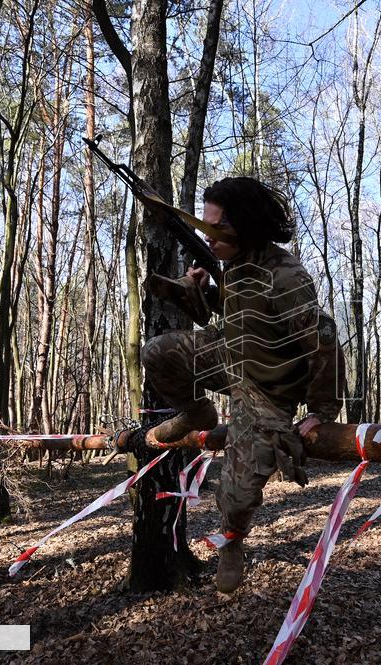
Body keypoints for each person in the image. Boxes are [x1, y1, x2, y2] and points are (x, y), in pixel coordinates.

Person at [141, 177, 344, 593]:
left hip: (265, 389)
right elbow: (239, 310)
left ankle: (231, 540)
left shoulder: (286, 277)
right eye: (206, 227)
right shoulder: (233, 265)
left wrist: (322, 411)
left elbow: (323, 338)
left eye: (218, 229)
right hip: (228, 354)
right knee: (157, 352)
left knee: (235, 495)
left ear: (246, 227)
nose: (209, 239)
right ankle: (197, 412)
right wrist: (203, 291)